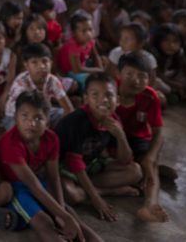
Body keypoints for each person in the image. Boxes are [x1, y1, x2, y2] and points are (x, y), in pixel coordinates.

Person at [0, 90, 103, 240]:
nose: (31, 123)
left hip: (41, 182)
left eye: (38, 118)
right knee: (44, 223)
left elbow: (54, 177)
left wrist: (62, 211)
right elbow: (32, 186)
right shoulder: (10, 144)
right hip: (16, 189)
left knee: (73, 218)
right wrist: (62, 215)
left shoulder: (51, 139)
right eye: (24, 116)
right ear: (15, 117)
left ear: (47, 122)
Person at [55, 73, 142, 222]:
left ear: (118, 100)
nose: (103, 100)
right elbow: (74, 163)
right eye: (95, 95)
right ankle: (108, 191)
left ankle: (88, 189)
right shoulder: (77, 121)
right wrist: (96, 199)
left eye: (109, 95)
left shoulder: (114, 120)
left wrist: (120, 136)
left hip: (90, 166)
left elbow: (124, 160)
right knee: (70, 195)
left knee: (136, 171)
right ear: (86, 99)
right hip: (66, 168)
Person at [115, 53, 170, 222]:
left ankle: (150, 205)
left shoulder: (149, 96)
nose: (136, 80)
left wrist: (150, 156)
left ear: (149, 78)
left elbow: (159, 131)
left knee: (149, 163)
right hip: (111, 138)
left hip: (138, 139)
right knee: (134, 171)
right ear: (119, 74)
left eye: (142, 76)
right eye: (129, 74)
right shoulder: (110, 92)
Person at [3, 43, 73, 130]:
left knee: (63, 114)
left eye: (45, 61)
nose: (41, 66)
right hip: (17, 116)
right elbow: (24, 115)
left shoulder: (53, 80)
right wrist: (43, 126)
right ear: (26, 65)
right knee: (19, 130)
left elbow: (69, 109)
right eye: (34, 62)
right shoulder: (21, 84)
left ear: (51, 63)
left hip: (42, 113)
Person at [56, 14, 103, 90]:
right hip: (70, 71)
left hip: (83, 65)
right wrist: (98, 70)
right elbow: (77, 69)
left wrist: (101, 69)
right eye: (83, 31)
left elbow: (95, 56)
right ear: (74, 33)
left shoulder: (90, 41)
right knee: (89, 80)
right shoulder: (73, 45)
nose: (88, 34)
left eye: (90, 29)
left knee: (105, 61)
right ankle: (85, 95)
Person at [151, 23, 186, 102]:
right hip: (162, 80)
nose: (171, 45)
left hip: (171, 79)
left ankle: (179, 94)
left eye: (175, 41)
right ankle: (170, 94)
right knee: (157, 82)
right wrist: (176, 85)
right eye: (166, 40)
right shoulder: (154, 53)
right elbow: (158, 74)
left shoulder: (179, 52)